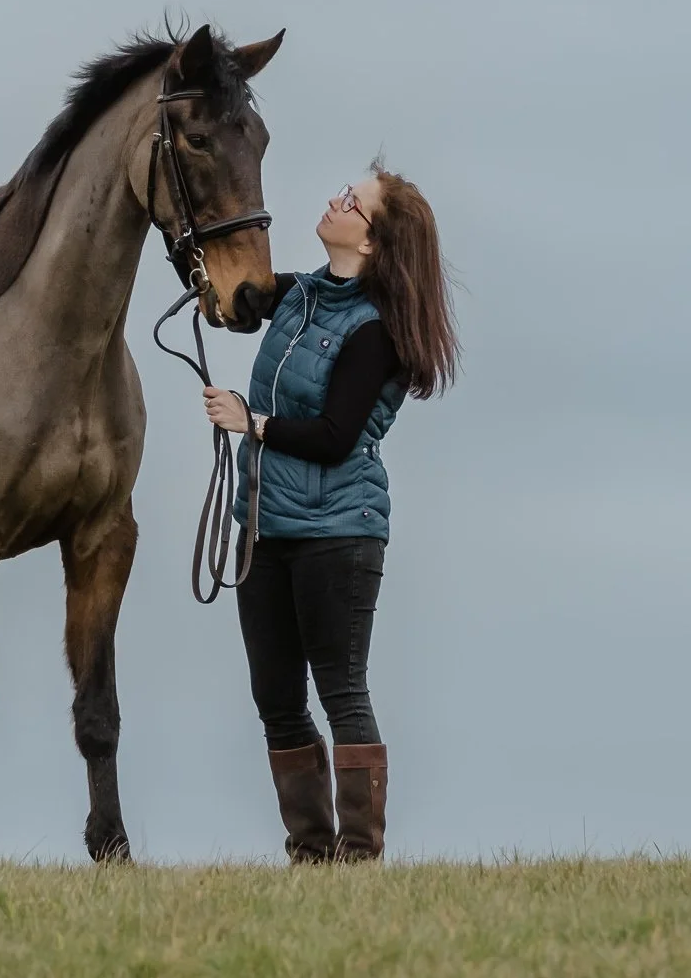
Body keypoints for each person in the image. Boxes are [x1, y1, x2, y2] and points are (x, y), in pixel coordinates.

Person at [202, 158, 460, 864]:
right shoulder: (304, 296)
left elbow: (335, 435)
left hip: (338, 533)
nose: (335, 199)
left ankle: (359, 854)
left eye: (353, 200)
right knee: (276, 697)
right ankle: (310, 853)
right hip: (265, 526)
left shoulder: (375, 331)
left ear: (372, 242)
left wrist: (248, 422)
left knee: (341, 689)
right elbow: (246, 298)